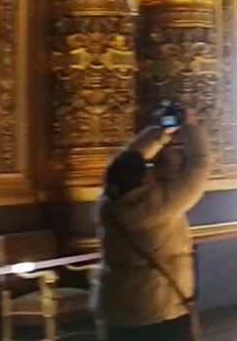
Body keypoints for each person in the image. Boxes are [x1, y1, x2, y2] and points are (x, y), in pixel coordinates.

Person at [95, 109, 209, 341]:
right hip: (160, 308)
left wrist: (161, 131)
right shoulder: (159, 206)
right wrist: (191, 127)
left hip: (117, 308)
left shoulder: (107, 206)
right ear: (144, 177)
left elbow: (124, 163)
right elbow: (199, 166)